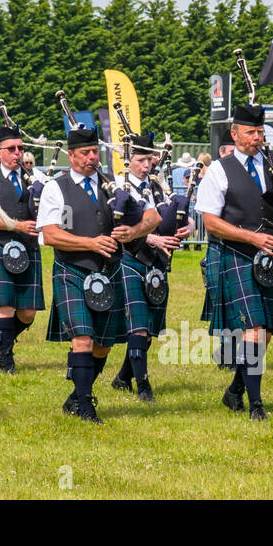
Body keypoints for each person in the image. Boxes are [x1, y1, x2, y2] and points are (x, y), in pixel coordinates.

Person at [196, 102, 273, 420]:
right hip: (238, 255)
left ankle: (236, 389)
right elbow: (210, 221)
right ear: (235, 134)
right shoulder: (220, 170)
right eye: (250, 132)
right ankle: (257, 406)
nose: (257, 137)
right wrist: (252, 238)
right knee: (254, 326)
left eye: (261, 132)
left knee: (266, 332)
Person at [39, 123, 126, 424]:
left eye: (95, 152)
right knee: (83, 339)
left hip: (109, 272)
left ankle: (76, 395)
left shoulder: (111, 185)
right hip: (72, 270)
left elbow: (146, 216)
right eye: (86, 153)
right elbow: (51, 235)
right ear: (71, 155)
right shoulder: (57, 188)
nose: (92, 158)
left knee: (104, 344)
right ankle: (86, 405)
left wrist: (137, 229)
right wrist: (90, 243)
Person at [111, 134, 187, 402]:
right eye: (140, 160)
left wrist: (184, 229)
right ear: (128, 161)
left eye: (149, 159)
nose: (146, 165)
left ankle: (122, 378)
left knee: (149, 332)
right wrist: (152, 237)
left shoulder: (158, 187)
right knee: (138, 328)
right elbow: (119, 228)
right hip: (131, 259)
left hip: (157, 264)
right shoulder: (119, 187)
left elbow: (167, 220)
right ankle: (143, 387)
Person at [0, 123, 46, 374]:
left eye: (21, 148)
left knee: (28, 313)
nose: (18, 153)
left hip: (28, 248)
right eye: (12, 149)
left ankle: (5, 340)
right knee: (5, 306)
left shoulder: (34, 178)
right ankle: (6, 358)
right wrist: (18, 226)